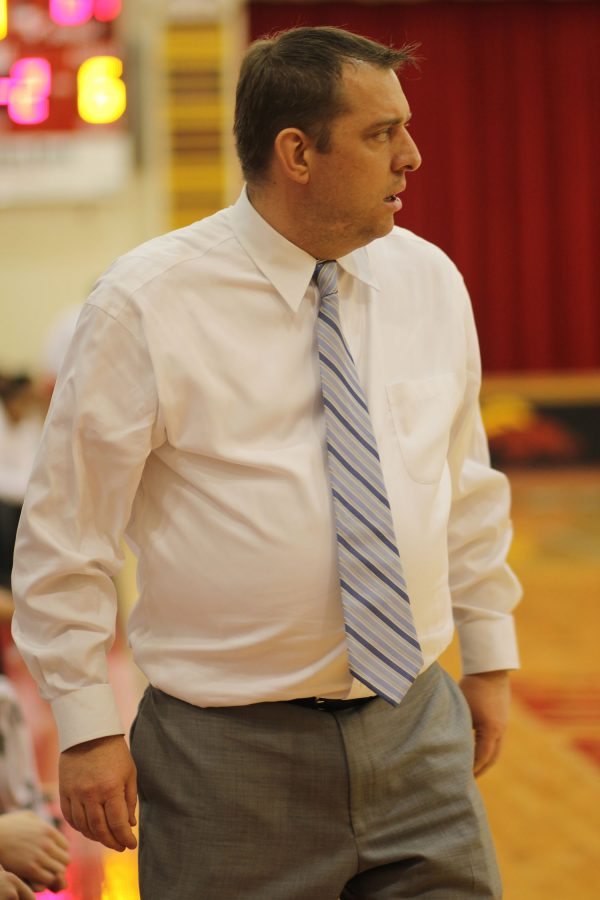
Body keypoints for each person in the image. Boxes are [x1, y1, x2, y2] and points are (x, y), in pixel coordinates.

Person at [11, 26, 521, 899]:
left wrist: (490, 659)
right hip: (225, 755)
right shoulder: (145, 302)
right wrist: (88, 727)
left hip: (417, 726)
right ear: (296, 152)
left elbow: (464, 487)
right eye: (380, 133)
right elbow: (67, 534)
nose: (414, 155)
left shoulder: (430, 280)